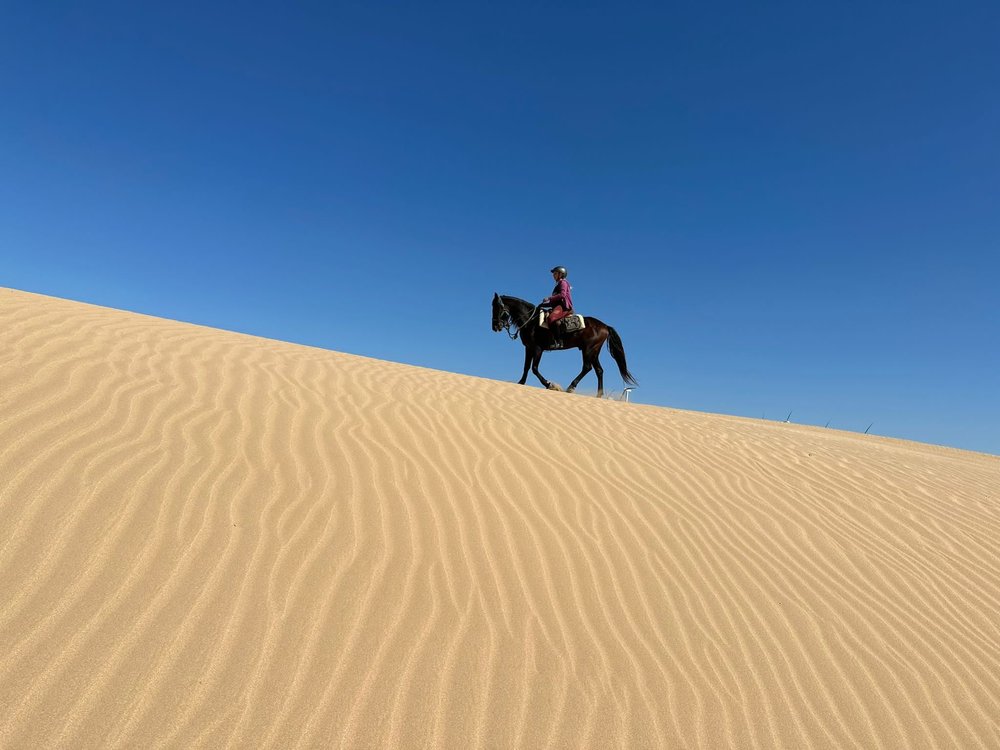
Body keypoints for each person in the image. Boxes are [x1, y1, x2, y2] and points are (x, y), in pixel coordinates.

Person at [540, 266, 573, 349]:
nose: (553, 275)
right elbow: (554, 301)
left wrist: (549, 298)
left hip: (564, 307)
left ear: (560, 274)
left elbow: (562, 295)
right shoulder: (558, 284)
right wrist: (542, 305)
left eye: (555, 273)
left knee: (551, 318)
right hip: (558, 306)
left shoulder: (563, 283)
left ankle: (559, 341)